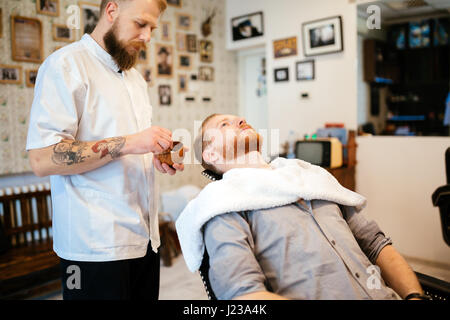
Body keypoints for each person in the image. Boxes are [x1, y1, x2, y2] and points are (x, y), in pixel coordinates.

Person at [26, 0, 184, 300]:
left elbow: (130, 150)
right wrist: (130, 142)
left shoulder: (135, 79)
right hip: (93, 247)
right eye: (140, 24)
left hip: (144, 239)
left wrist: (157, 156)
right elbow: (42, 158)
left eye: (152, 28)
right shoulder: (65, 65)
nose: (148, 37)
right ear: (111, 11)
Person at [175, 113, 428, 300]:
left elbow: (376, 246)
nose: (240, 121)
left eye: (239, 119)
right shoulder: (223, 204)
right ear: (211, 156)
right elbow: (243, 294)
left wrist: (414, 297)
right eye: (224, 124)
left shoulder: (311, 179)